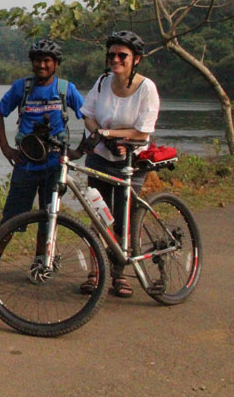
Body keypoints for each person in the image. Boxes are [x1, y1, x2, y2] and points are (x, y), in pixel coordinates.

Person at [0, 39, 85, 280]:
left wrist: (80, 149)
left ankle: (40, 264)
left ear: (56, 64)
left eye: (47, 61)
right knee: (13, 216)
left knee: (48, 215)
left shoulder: (66, 89)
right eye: (38, 61)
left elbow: (89, 116)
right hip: (26, 163)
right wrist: (5, 148)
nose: (42, 65)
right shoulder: (22, 87)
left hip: (56, 164)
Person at [79, 30, 159, 298]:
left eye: (122, 55)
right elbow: (88, 115)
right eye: (112, 54)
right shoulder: (102, 82)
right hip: (100, 157)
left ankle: (120, 275)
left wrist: (112, 134)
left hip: (131, 161)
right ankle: (94, 272)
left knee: (123, 219)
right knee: (98, 215)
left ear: (135, 59)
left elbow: (143, 132)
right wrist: (100, 132)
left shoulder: (147, 89)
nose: (116, 59)